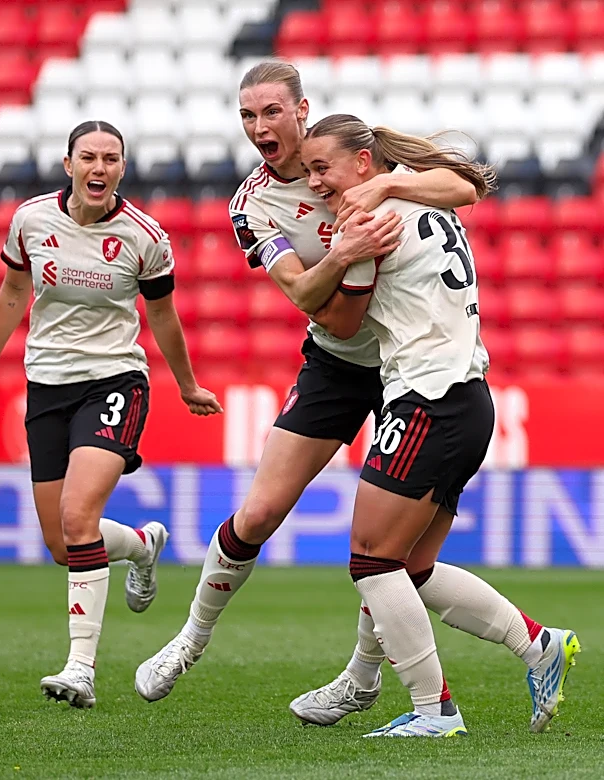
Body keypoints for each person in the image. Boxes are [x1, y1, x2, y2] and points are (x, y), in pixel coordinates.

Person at [134, 61, 481, 703]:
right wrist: (345, 255)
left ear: (301, 110)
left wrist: (379, 195)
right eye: (247, 115)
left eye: (271, 112)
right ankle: (190, 639)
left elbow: (461, 185)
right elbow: (303, 292)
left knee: (384, 541)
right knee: (261, 510)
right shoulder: (252, 203)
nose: (259, 127)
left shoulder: (352, 163)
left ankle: (363, 676)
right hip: (338, 362)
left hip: (411, 364)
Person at [291, 114, 580, 737]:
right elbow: (464, 188)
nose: (313, 181)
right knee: (410, 567)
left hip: (425, 396)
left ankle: (434, 711)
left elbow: (341, 321)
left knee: (371, 561)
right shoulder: (418, 187)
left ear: (362, 163)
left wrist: (324, 268)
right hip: (468, 398)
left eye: (322, 168)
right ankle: (538, 646)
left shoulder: (367, 217)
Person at [0, 120, 222, 709]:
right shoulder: (30, 220)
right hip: (47, 384)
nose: (99, 168)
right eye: (89, 157)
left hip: (115, 380)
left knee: (79, 518)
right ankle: (142, 547)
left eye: (111, 159)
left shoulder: (144, 236)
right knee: (62, 542)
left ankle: (81, 668)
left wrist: (187, 385)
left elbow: (163, 317)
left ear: (122, 169)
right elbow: (11, 293)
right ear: (68, 163)